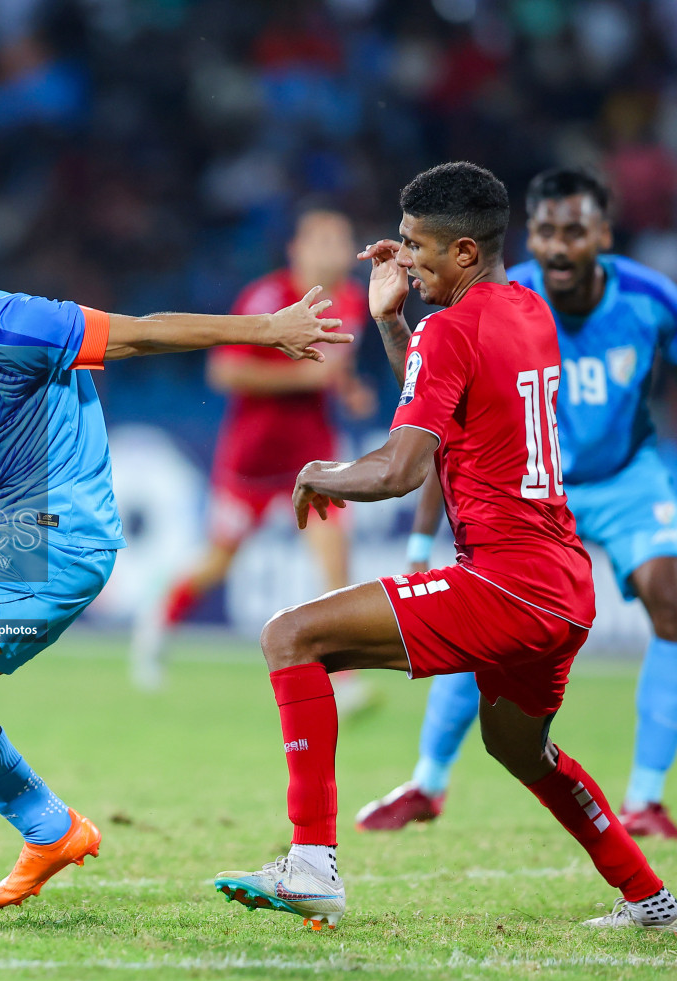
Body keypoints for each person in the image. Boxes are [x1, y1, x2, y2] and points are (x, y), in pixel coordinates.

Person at [0, 194, 352, 912]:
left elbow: (141, 334)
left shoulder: (11, 323)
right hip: (26, 534)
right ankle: (50, 828)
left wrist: (266, 329)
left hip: (57, 532)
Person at [212, 161, 674, 932]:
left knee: (290, 636)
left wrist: (326, 474)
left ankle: (311, 865)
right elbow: (441, 402)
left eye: (415, 246)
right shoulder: (527, 311)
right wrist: (393, 323)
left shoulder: (454, 328)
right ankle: (649, 896)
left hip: (505, 582)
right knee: (522, 752)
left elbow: (399, 468)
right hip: (562, 586)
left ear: (464, 252)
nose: (401, 259)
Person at [356, 168, 677, 838]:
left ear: (603, 236)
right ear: (528, 234)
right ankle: (428, 782)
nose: (557, 248)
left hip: (623, 476)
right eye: (545, 232)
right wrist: (420, 546)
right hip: (530, 484)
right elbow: (439, 422)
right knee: (478, 614)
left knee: (671, 600)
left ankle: (644, 797)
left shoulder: (653, 300)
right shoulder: (508, 297)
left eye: (574, 231)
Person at [130, 202, 376, 703]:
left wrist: (346, 387)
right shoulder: (267, 298)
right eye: (322, 240)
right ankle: (157, 618)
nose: (334, 252)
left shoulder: (352, 299)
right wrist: (301, 378)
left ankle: (343, 680)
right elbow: (223, 373)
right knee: (220, 561)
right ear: (297, 250)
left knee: (334, 555)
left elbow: (330, 365)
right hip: (253, 459)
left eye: (340, 241)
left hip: (312, 453)